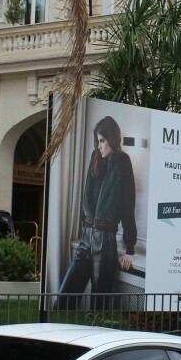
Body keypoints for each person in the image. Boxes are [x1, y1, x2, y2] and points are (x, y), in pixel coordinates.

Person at [59, 115, 137, 303]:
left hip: (105, 242)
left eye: (102, 140)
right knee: (63, 298)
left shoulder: (123, 161)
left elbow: (128, 205)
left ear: (112, 138)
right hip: (86, 240)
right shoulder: (96, 158)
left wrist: (130, 247)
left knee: (98, 302)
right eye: (97, 141)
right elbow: (87, 195)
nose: (99, 145)